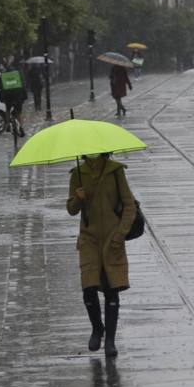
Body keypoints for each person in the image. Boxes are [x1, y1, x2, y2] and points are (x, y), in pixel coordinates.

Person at [67, 153, 138, 357]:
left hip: (112, 239)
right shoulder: (78, 174)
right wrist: (78, 199)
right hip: (89, 240)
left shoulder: (115, 171)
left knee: (110, 288)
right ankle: (97, 328)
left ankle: (110, 340)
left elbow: (129, 205)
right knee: (89, 287)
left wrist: (120, 233)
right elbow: (71, 209)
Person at [0, 55, 28, 137]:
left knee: (7, 109)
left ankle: (8, 124)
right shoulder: (18, 72)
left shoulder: (3, 73)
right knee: (19, 112)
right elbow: (23, 84)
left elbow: (1, 86)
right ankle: (21, 127)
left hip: (8, 96)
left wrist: (1, 98)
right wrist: (24, 96)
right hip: (17, 95)